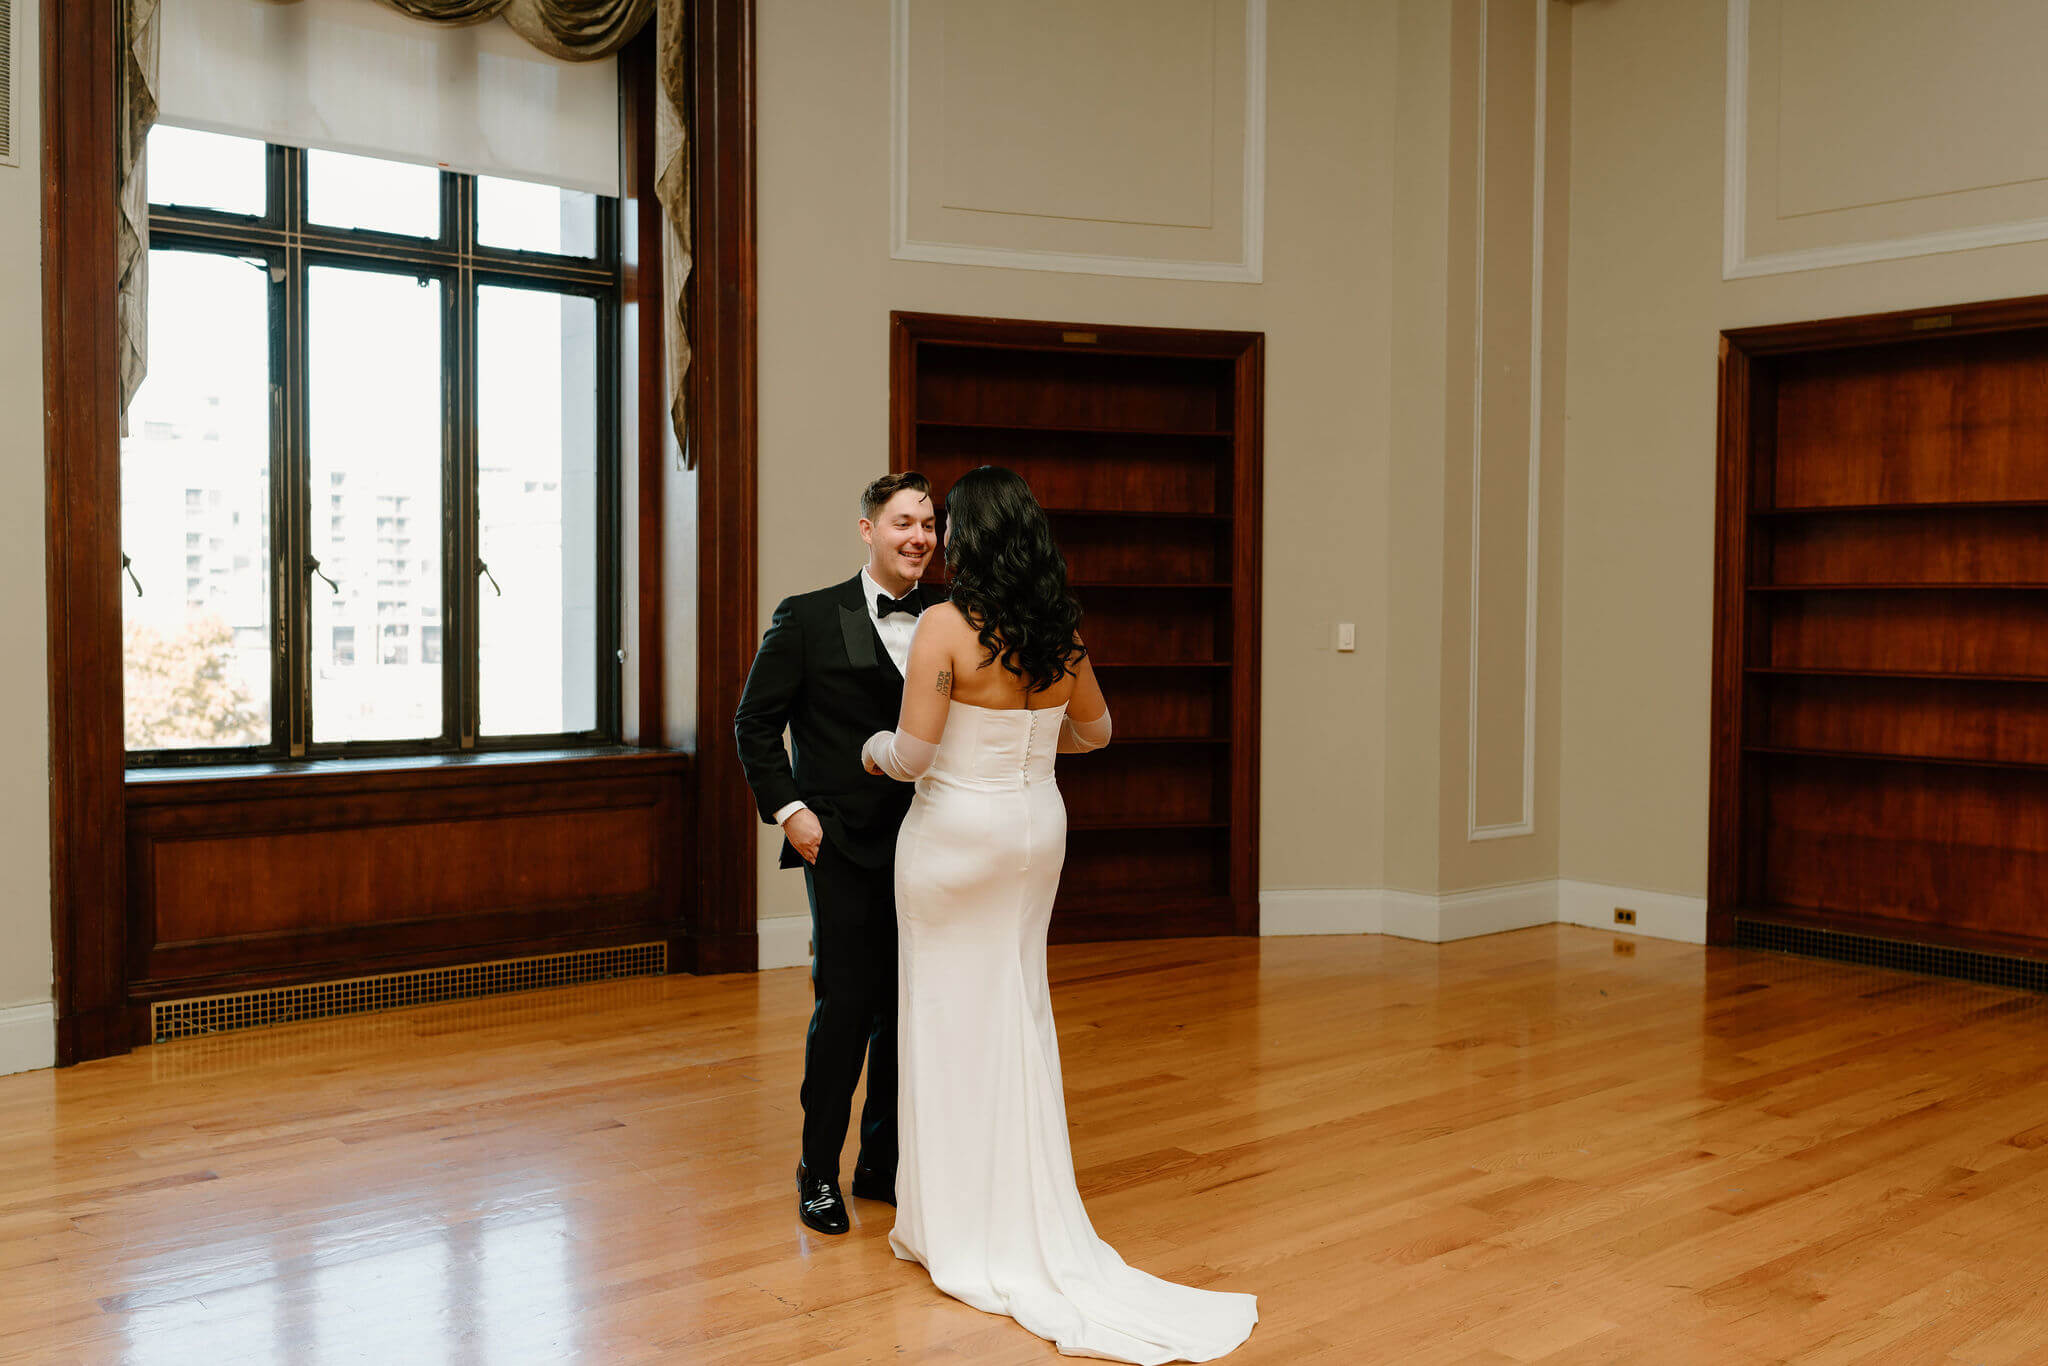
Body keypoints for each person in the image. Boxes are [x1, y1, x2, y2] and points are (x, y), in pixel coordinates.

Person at [861, 466, 1258, 1363]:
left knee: (944, 1017)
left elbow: (916, 755)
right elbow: (1100, 733)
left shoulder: (944, 625)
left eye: (949, 526)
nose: (941, 539)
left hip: (957, 839)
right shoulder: (1060, 630)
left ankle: (956, 1224)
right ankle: (1018, 1201)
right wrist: (1035, 744)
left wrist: (870, 750)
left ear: (971, 537)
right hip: (1036, 830)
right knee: (1014, 1008)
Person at [734, 471, 940, 1236]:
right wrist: (791, 812)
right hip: (844, 845)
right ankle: (817, 1169)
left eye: (928, 523)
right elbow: (753, 724)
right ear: (868, 530)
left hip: (932, 844)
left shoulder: (949, 618)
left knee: (906, 1008)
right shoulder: (811, 617)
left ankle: (880, 1166)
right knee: (846, 1009)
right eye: (902, 523)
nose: (918, 536)